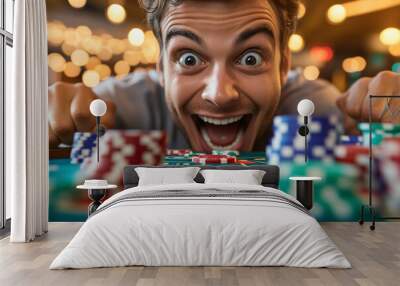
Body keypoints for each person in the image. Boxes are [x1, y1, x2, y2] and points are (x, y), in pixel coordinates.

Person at [48, 0, 400, 152]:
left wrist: (388, 128)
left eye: (249, 58)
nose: (220, 94)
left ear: (282, 64)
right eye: (188, 58)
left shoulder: (316, 111)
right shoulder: (113, 110)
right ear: (161, 69)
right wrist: (38, 130)